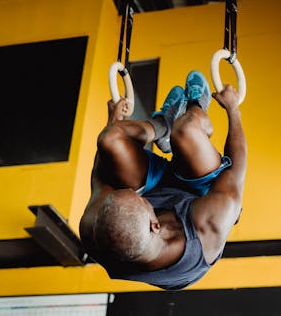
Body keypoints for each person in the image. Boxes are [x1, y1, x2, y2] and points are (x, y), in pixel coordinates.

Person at [79, 70, 247, 290]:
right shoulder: (209, 225)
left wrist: (114, 121)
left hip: (153, 187)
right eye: (141, 199)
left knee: (110, 139)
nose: (135, 193)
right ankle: (197, 104)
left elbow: (102, 174)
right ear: (155, 223)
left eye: (129, 191)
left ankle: (162, 125)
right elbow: (236, 169)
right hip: (199, 196)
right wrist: (233, 109)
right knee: (187, 129)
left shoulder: (92, 231)